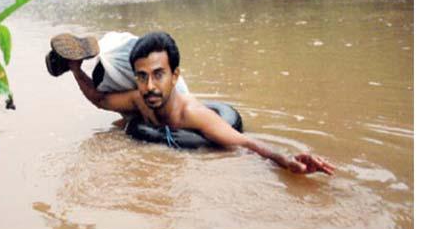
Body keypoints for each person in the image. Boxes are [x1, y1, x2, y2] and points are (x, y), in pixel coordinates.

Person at [63, 31, 335, 175]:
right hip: (150, 127)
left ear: (175, 75)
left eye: (159, 75)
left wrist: (287, 161)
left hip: (188, 138)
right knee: (120, 121)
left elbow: (245, 143)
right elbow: (100, 100)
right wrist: (75, 70)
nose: (150, 86)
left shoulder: (192, 114)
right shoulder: (139, 98)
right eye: (142, 77)